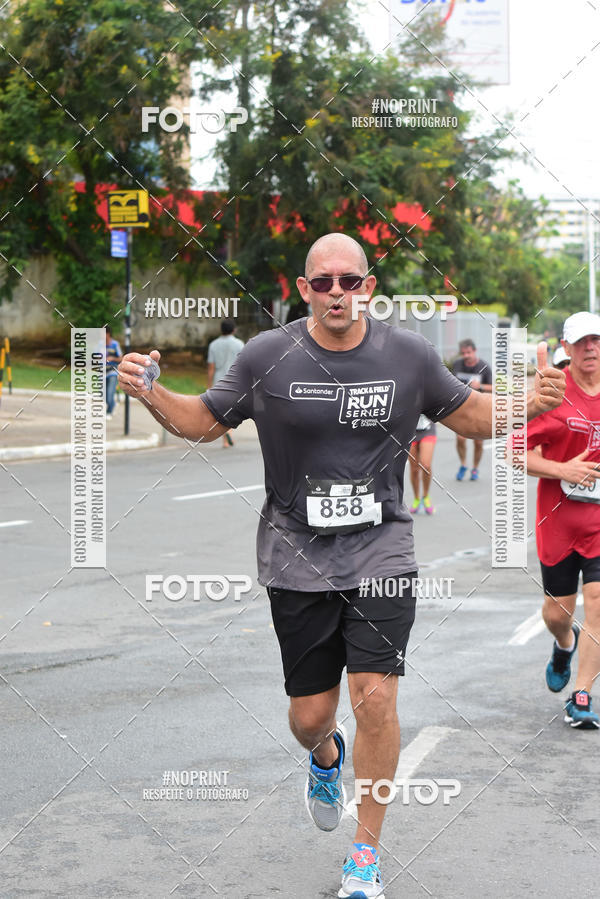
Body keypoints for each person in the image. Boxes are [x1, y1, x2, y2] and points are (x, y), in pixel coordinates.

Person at [117, 233, 565, 898]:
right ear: (304, 290)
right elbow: (206, 421)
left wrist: (525, 403)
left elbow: (469, 413)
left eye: (348, 281)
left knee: (376, 698)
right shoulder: (269, 355)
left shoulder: (407, 354)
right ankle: (326, 757)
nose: (335, 292)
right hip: (294, 558)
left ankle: (366, 854)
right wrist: (152, 393)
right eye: (322, 281)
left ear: (368, 287)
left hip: (381, 548)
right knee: (309, 716)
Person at [525, 311, 600, 730]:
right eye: (582, 342)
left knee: (599, 604)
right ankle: (563, 644)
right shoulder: (552, 393)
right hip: (558, 523)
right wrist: (563, 470)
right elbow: (515, 453)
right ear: (566, 350)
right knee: (557, 614)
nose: (591, 348)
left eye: (597, 340)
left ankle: (582, 693)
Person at [451, 339, 493, 481]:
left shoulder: (484, 367)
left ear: (474, 351)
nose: (466, 355)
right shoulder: (457, 365)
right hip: (461, 408)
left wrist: (480, 386)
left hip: (479, 408)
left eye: (469, 352)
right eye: (463, 353)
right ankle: (463, 465)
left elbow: (495, 388)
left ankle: (475, 468)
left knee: (478, 442)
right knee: (461, 439)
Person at [206, 319, 244, 447]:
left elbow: (211, 367)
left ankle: (225, 439)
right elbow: (243, 365)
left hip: (219, 380)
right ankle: (229, 433)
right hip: (234, 381)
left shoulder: (213, 345)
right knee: (231, 410)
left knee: (221, 411)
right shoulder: (239, 344)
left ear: (221, 330)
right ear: (234, 330)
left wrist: (209, 385)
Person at [408, 414, 437, 515]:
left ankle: (425, 496)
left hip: (427, 428)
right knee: (414, 469)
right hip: (409, 430)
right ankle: (416, 498)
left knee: (426, 465)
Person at [105, 327, 122, 419]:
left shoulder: (115, 344)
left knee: (109, 394)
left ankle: (109, 412)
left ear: (108, 334)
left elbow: (121, 358)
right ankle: (114, 404)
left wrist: (112, 358)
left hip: (113, 372)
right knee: (102, 394)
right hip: (103, 372)